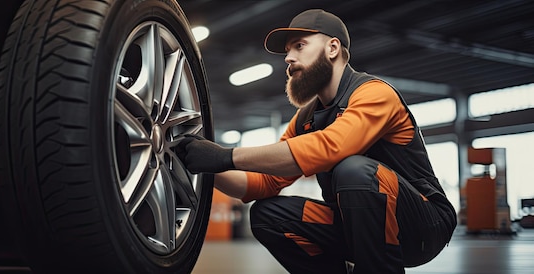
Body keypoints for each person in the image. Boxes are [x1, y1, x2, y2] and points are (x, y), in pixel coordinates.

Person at [177, 9, 457, 274]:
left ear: (332, 48)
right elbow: (264, 182)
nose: (288, 57)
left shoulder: (373, 93)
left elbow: (331, 146)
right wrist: (204, 165)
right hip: (356, 224)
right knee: (267, 214)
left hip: (422, 225)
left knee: (355, 170)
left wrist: (226, 155)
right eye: (287, 50)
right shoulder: (306, 119)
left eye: (299, 46)